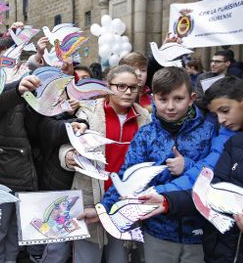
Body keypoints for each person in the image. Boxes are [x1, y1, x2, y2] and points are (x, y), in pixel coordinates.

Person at [89, 67, 215, 263]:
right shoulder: (146, 134)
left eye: (178, 99)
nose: (170, 106)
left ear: (191, 98)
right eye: (163, 99)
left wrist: (188, 165)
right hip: (157, 229)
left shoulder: (208, 131)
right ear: (153, 98)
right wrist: (102, 209)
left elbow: (217, 171)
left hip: (198, 230)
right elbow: (126, 177)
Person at [138, 75, 243, 263]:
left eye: (225, 110)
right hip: (224, 246)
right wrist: (164, 198)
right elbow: (208, 184)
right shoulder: (229, 138)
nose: (221, 119)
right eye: (216, 114)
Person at [62, 65, 151, 263]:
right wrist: (67, 155)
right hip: (89, 198)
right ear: (108, 86)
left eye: (133, 87)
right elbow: (66, 145)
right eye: (121, 86)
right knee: (87, 258)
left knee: (119, 257)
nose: (128, 92)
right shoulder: (88, 112)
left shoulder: (145, 118)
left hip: (124, 202)